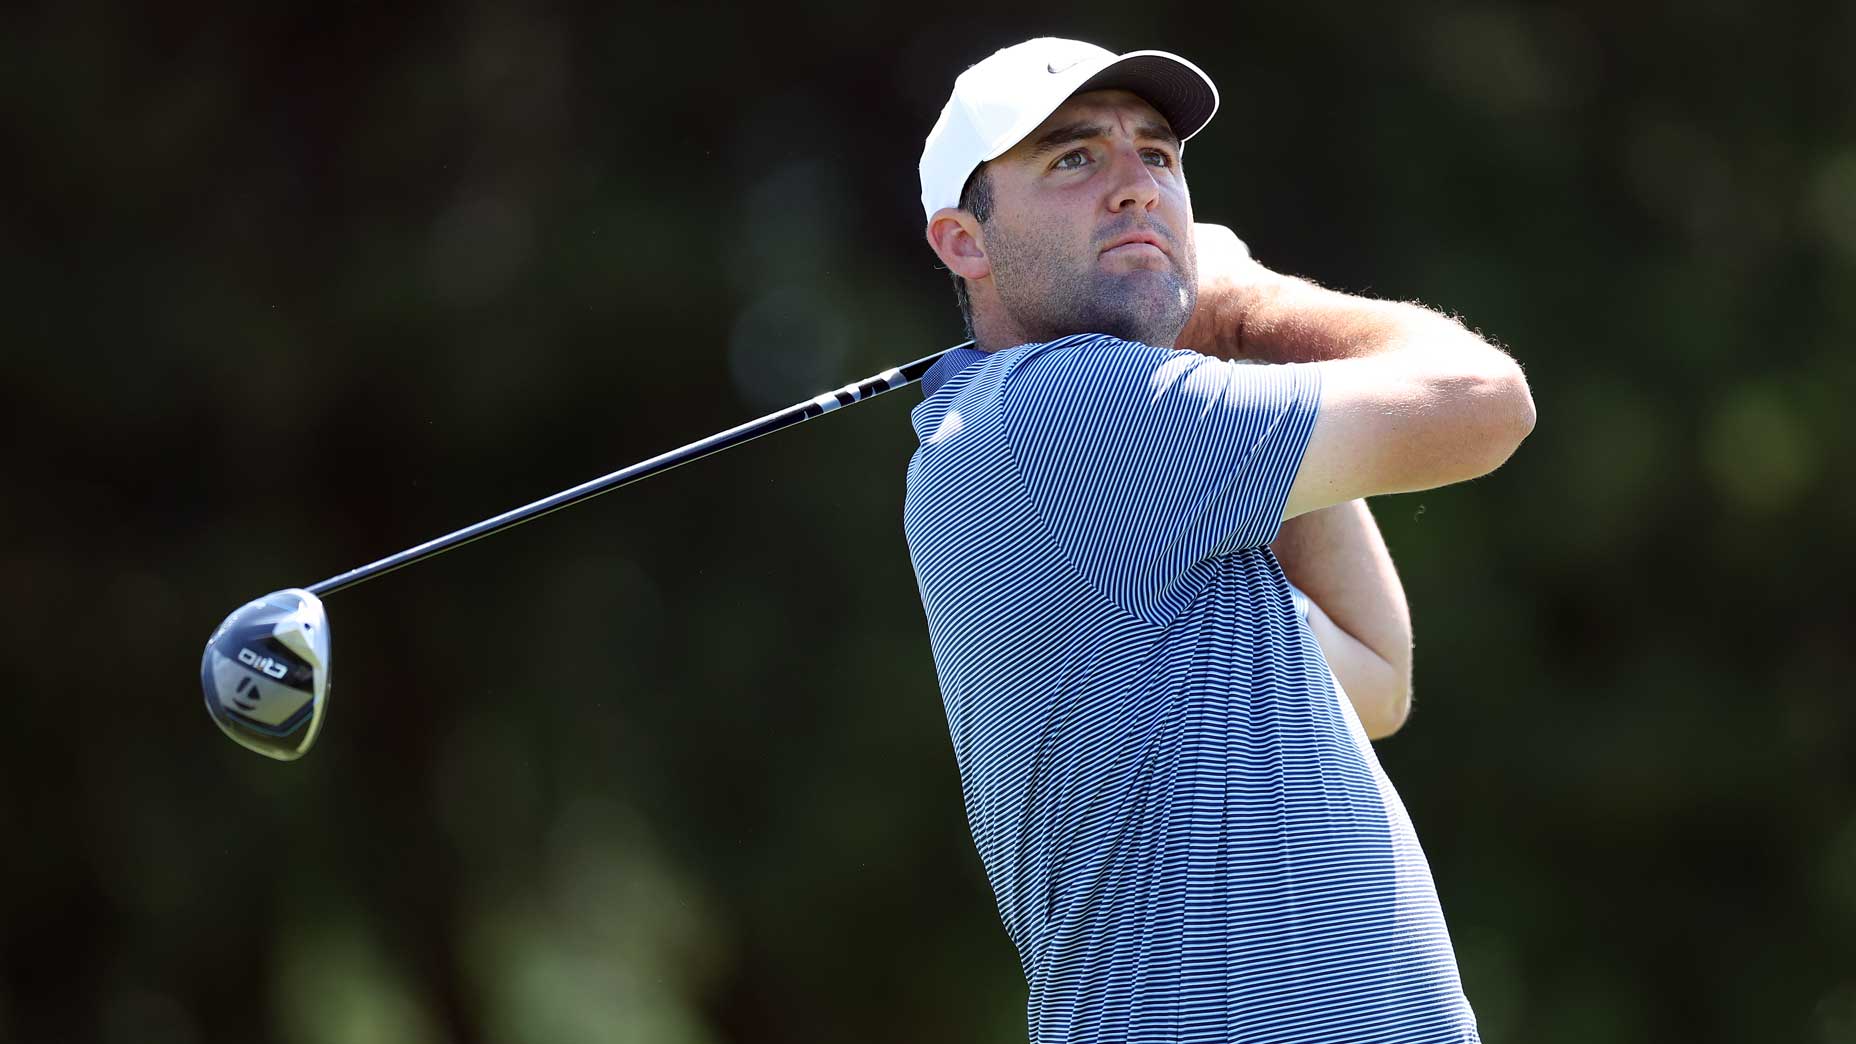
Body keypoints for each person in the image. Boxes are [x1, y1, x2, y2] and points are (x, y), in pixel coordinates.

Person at [903, 37, 1535, 1042]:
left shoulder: (1102, 462)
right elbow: (1485, 403)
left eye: (1157, 154)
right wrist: (1246, 307)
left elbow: (1375, 678)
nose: (1136, 186)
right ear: (963, 243)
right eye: (1074, 157)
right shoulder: (1065, 412)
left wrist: (1233, 364)